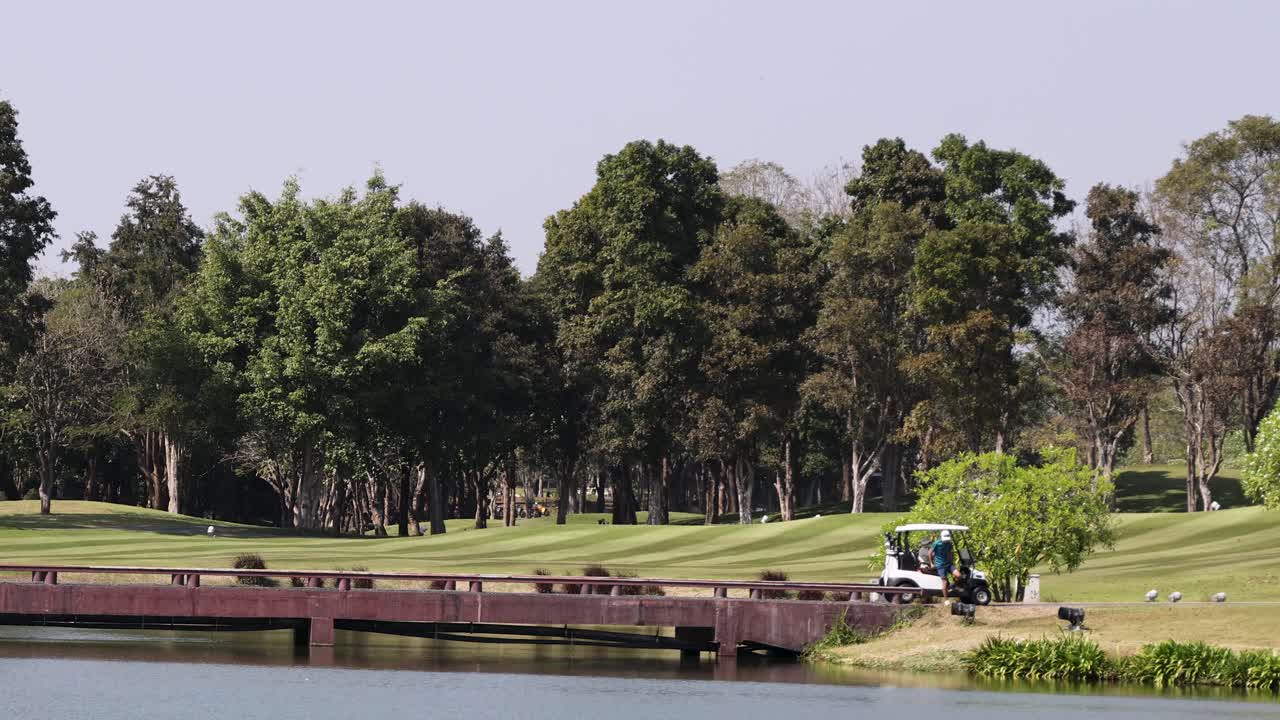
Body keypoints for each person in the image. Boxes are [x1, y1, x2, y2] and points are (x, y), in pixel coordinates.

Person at [931, 530, 961, 601]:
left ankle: (953, 586)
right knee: (945, 582)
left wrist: (952, 560)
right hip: (940, 565)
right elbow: (930, 553)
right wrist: (931, 563)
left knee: (959, 575)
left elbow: (950, 552)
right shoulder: (936, 543)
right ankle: (946, 600)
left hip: (949, 564)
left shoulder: (949, 543)